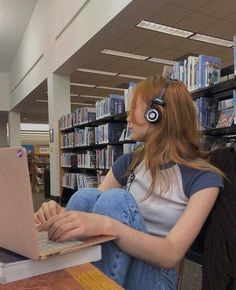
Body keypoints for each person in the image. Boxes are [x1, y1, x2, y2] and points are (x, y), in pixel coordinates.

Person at [35, 75, 223, 290]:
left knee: (116, 200)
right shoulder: (131, 161)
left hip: (158, 276)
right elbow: (91, 208)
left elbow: (171, 255)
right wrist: (55, 214)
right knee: (85, 196)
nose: (127, 117)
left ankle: (86, 283)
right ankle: (72, 277)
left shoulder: (203, 178)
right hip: (120, 261)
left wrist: (110, 226)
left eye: (133, 107)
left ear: (156, 114)